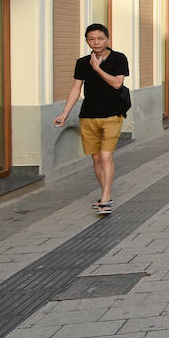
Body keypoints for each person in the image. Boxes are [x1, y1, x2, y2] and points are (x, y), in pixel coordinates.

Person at [53, 23, 129, 215]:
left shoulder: (119, 58)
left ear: (107, 39)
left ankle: (105, 198)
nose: (96, 42)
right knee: (96, 158)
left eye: (100, 38)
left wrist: (97, 68)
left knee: (106, 155)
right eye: (91, 38)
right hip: (88, 115)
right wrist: (65, 113)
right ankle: (106, 194)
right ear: (87, 40)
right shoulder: (81, 62)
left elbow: (117, 84)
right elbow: (76, 88)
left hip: (112, 114)